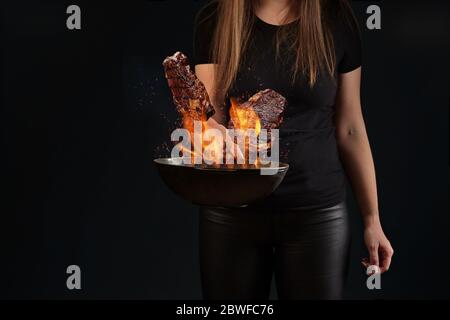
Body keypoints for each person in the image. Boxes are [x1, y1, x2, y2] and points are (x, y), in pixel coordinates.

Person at [192, 0, 394, 299]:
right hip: (232, 213)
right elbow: (209, 118)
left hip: (316, 216)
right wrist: (208, 132)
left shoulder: (336, 17)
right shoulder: (215, 17)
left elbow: (350, 127)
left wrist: (372, 220)